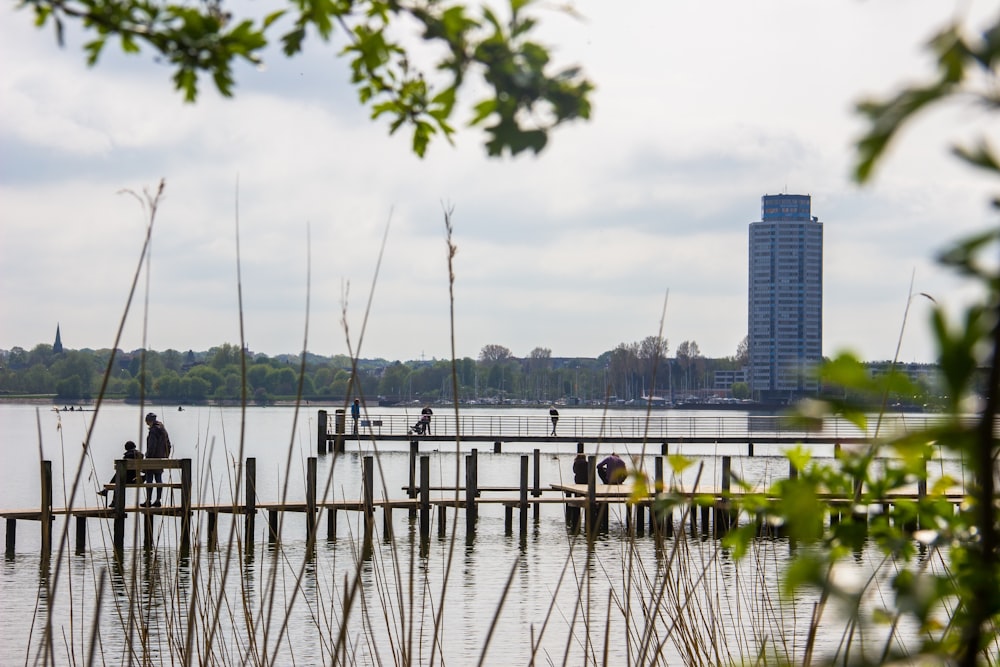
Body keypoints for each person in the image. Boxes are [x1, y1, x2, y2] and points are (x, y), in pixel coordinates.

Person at [98, 440, 142, 505]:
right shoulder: (140, 455)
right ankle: (107, 492)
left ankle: (110, 497)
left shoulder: (127, 455)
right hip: (135, 478)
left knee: (117, 480)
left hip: (127, 479)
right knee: (117, 478)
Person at [142, 412, 172, 507]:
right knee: (159, 479)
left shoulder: (153, 431)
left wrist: (148, 457)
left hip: (152, 459)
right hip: (161, 459)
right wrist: (165, 456)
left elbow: (152, 446)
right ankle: (158, 500)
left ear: (149, 421)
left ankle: (148, 500)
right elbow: (168, 445)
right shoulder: (163, 431)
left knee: (149, 480)